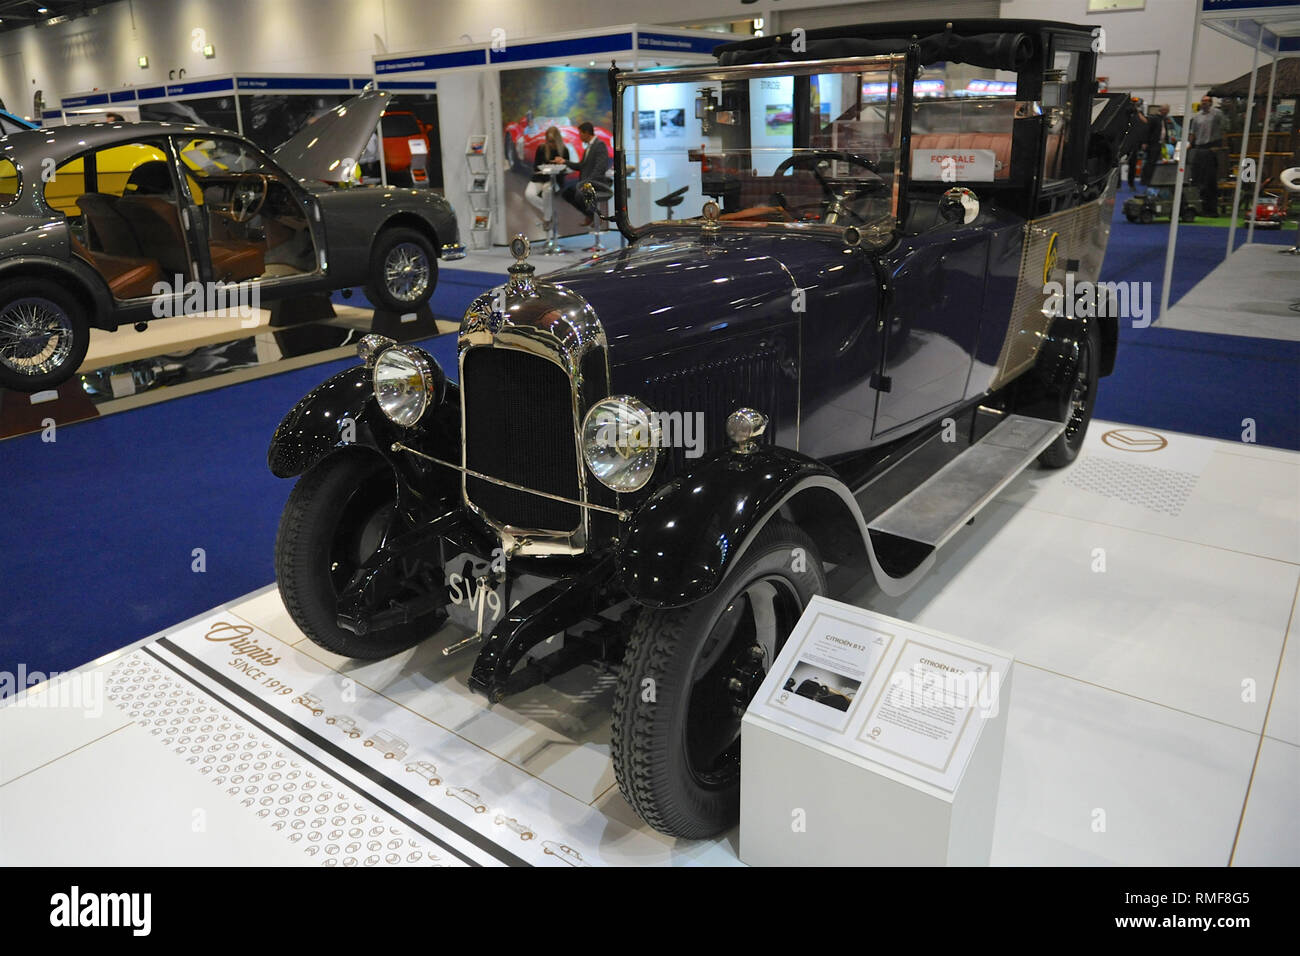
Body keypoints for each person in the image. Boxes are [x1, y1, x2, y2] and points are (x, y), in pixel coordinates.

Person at [561, 121, 610, 227]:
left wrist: (587, 183)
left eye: (581, 133)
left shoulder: (599, 145)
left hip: (596, 183)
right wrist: (564, 161)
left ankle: (596, 216)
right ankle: (591, 215)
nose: (579, 136)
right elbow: (581, 166)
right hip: (585, 182)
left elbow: (600, 169)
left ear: (587, 133)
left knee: (578, 194)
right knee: (567, 193)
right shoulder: (588, 147)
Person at [523, 126, 569, 235]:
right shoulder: (541, 148)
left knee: (546, 191)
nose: (550, 144)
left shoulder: (564, 150)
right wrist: (543, 170)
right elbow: (536, 166)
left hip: (555, 179)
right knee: (529, 194)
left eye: (552, 141)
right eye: (548, 141)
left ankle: (547, 219)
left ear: (557, 140)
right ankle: (549, 212)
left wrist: (557, 166)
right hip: (539, 177)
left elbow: (565, 169)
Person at [1189, 96, 1226, 216]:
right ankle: (1199, 207)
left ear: (1210, 103)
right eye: (1202, 101)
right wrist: (1189, 146)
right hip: (1199, 149)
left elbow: (1224, 129)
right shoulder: (1196, 117)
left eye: (1206, 102)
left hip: (1212, 148)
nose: (1204, 103)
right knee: (1197, 179)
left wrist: (1220, 146)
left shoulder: (1217, 114)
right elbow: (1193, 133)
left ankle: (1211, 209)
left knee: (1210, 180)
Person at [1141, 104, 1170, 188]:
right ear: (1162, 110)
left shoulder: (1163, 120)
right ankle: (1145, 180)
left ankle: (1150, 179)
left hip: (1160, 144)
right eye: (1166, 110)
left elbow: (1164, 131)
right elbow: (1147, 131)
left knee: (1153, 163)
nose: (1167, 112)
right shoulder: (1154, 119)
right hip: (1152, 144)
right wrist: (1145, 142)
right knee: (1150, 162)